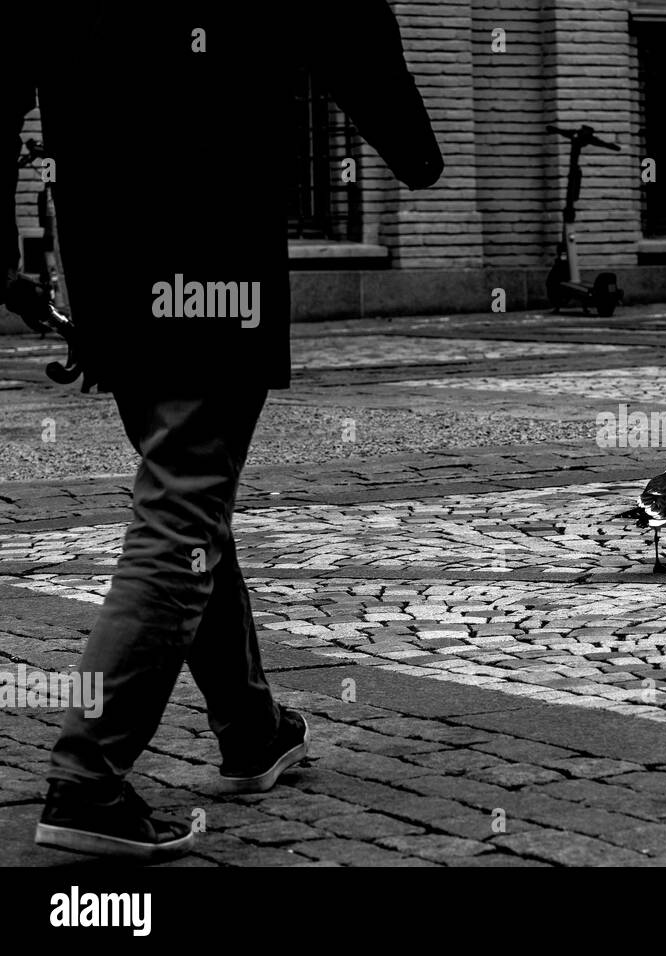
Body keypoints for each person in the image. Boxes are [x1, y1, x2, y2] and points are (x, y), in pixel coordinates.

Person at [2, 0, 443, 862]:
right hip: (214, 262)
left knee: (189, 492)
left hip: (107, 264)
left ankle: (252, 728)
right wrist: (414, 150)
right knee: (183, 511)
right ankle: (89, 777)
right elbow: (353, 22)